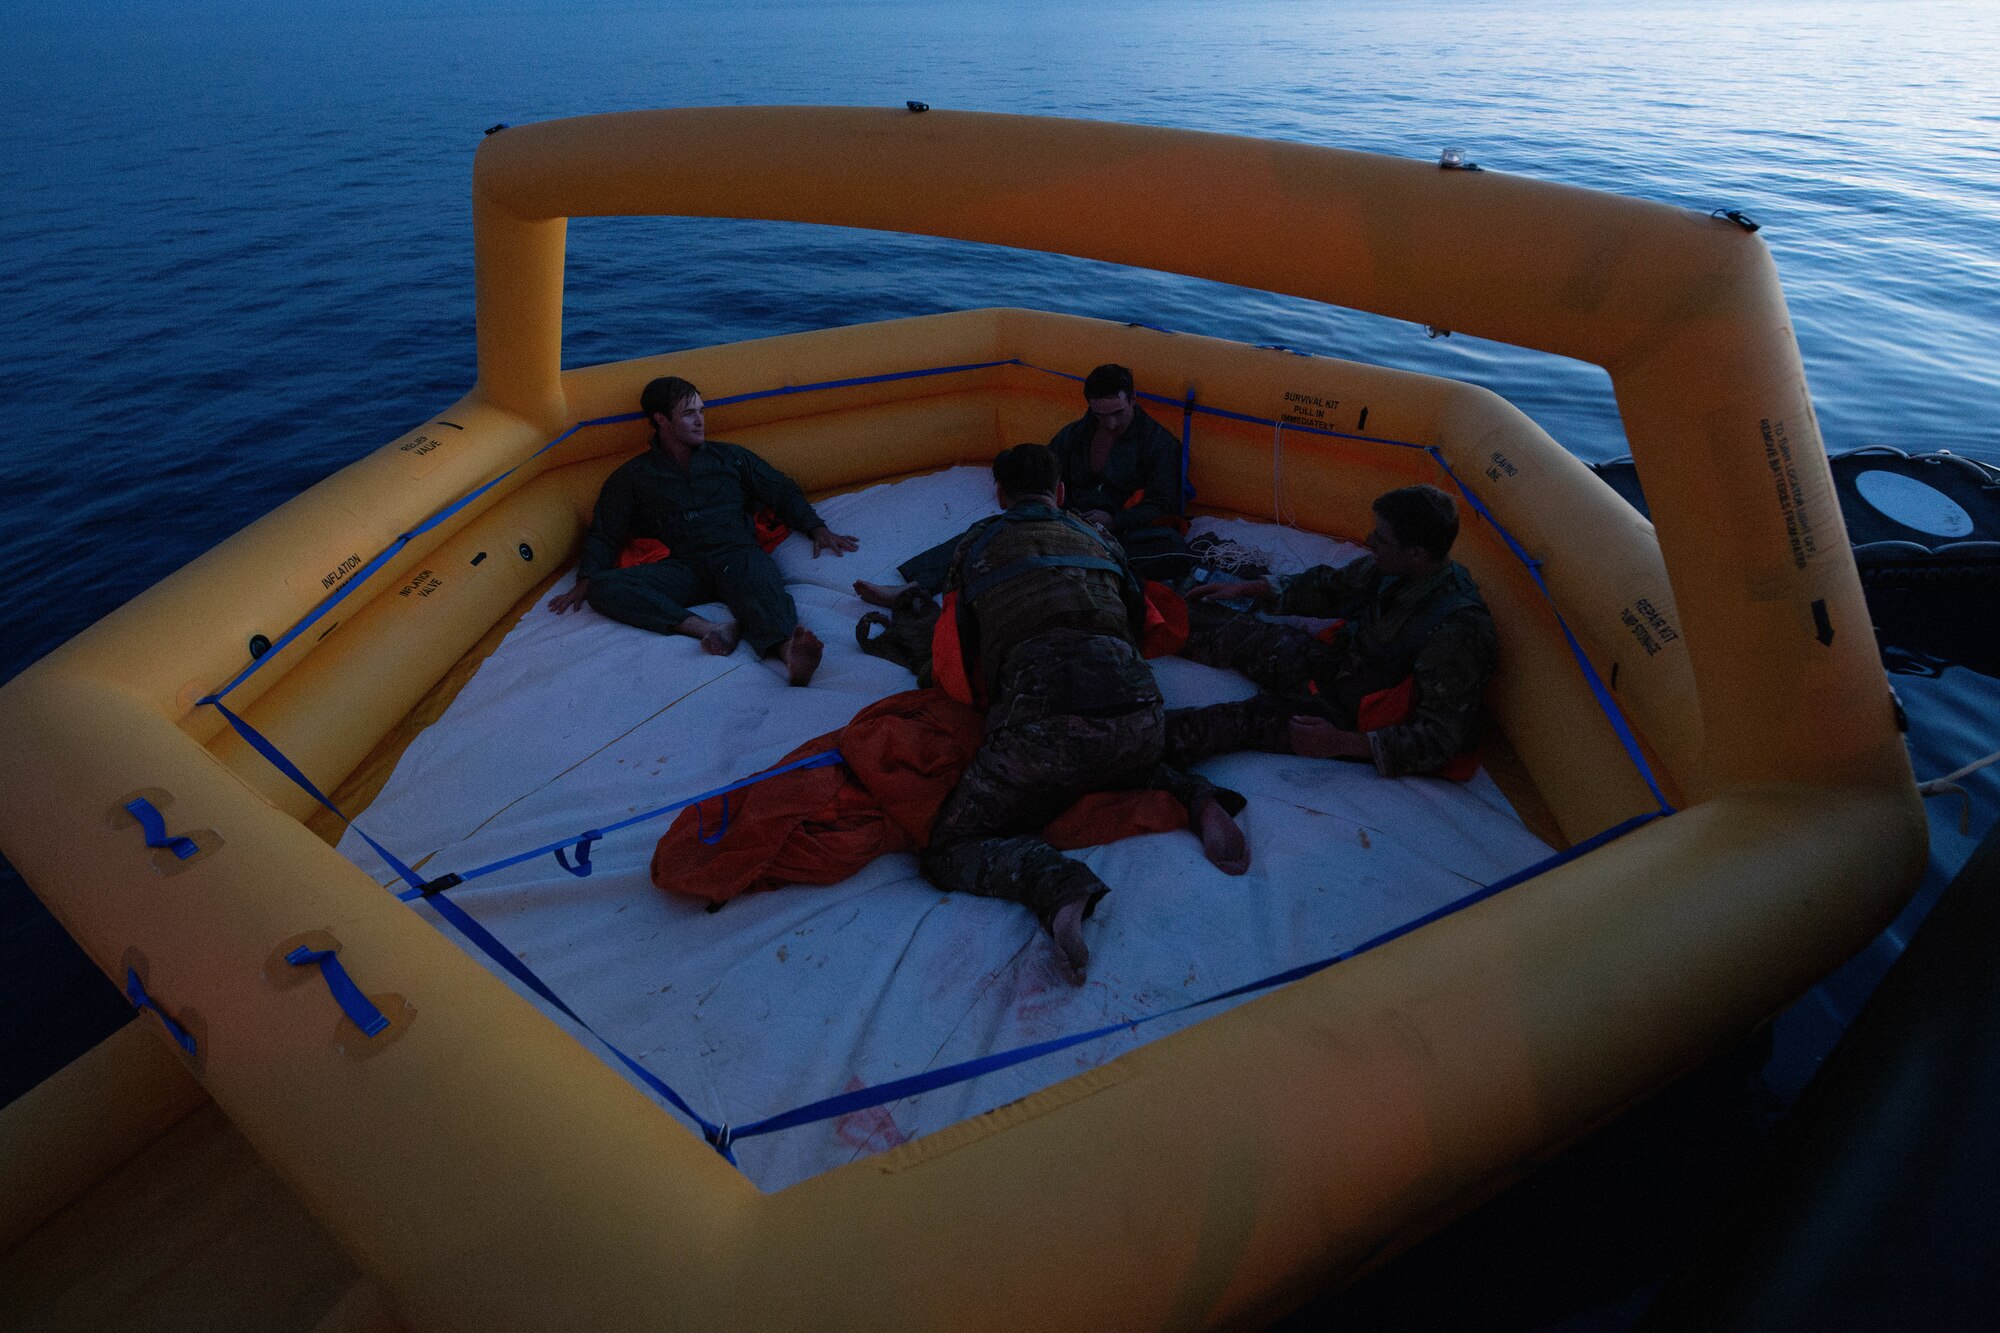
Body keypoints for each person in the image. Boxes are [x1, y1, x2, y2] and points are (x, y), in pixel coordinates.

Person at [922, 444, 1249, 982]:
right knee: (1119, 756)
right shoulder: (1100, 537)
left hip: (1042, 735)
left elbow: (956, 658)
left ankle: (1056, 886)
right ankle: (1198, 796)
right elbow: (1144, 624)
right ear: (1061, 491)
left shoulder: (975, 545)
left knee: (949, 846)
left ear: (1000, 494)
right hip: (1140, 716)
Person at [1167, 484, 1496, 778]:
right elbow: (1330, 589)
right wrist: (1249, 589)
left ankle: (1131, 744)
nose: (1369, 541)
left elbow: (1439, 739)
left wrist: (1342, 743)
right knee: (1237, 633)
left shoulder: (1457, 632)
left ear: (1416, 553)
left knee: (1228, 723)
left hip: (1356, 721)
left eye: (1381, 538)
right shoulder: (1392, 569)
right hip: (1340, 667)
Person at [547, 376, 859, 685]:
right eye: (688, 413)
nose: (700, 421)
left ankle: (790, 653)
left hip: (737, 556)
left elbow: (781, 490)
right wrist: (586, 579)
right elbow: (605, 530)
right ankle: (708, 628)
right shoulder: (633, 477)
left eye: (701, 411)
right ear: (661, 420)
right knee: (603, 588)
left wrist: (817, 528)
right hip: (685, 569)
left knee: (760, 582)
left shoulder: (732, 459)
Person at [854, 362, 1191, 606]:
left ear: (1133, 399)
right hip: (1062, 514)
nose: (1110, 422)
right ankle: (914, 587)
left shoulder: (1158, 444)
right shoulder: (1076, 433)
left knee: (1169, 546)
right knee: (989, 531)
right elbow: (1044, 473)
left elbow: (1163, 503)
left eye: (1117, 412)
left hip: (1116, 529)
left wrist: (1114, 519)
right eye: (1100, 414)